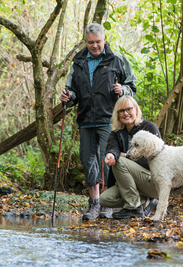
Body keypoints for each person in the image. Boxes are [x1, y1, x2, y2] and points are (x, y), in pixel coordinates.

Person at [60, 23, 137, 220]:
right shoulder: (78, 62)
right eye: (91, 42)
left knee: (109, 161)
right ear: (85, 42)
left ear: (104, 40)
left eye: (98, 42)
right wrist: (68, 98)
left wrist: (123, 90)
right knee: (88, 161)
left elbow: (132, 85)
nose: (95, 46)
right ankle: (94, 204)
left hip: (109, 120)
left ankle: (108, 204)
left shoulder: (117, 60)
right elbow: (73, 91)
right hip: (86, 119)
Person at [101, 96, 160, 219]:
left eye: (129, 109)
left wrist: (125, 157)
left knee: (120, 161)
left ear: (136, 110)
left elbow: (155, 159)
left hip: (152, 180)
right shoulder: (116, 132)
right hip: (132, 183)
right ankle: (147, 203)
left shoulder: (149, 128)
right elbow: (113, 148)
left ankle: (134, 208)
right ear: (117, 114)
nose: (125, 113)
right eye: (121, 111)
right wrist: (111, 155)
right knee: (105, 199)